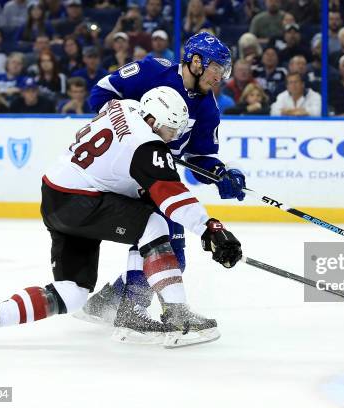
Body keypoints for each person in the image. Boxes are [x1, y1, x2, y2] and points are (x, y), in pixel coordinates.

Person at [0, 87, 242, 348]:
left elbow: (118, 153)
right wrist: (210, 228)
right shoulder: (148, 146)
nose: (171, 138)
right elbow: (172, 196)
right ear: (153, 121)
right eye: (168, 130)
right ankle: (176, 317)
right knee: (153, 224)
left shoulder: (125, 105)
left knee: (73, 292)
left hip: (57, 196)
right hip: (80, 200)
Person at [83, 32, 246, 325]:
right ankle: (132, 307)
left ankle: (108, 302)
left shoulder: (208, 107)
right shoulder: (151, 71)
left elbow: (198, 158)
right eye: (216, 68)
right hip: (128, 170)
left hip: (159, 176)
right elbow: (100, 93)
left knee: (176, 258)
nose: (220, 77)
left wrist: (221, 174)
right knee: (152, 234)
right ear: (197, 62)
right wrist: (130, 129)